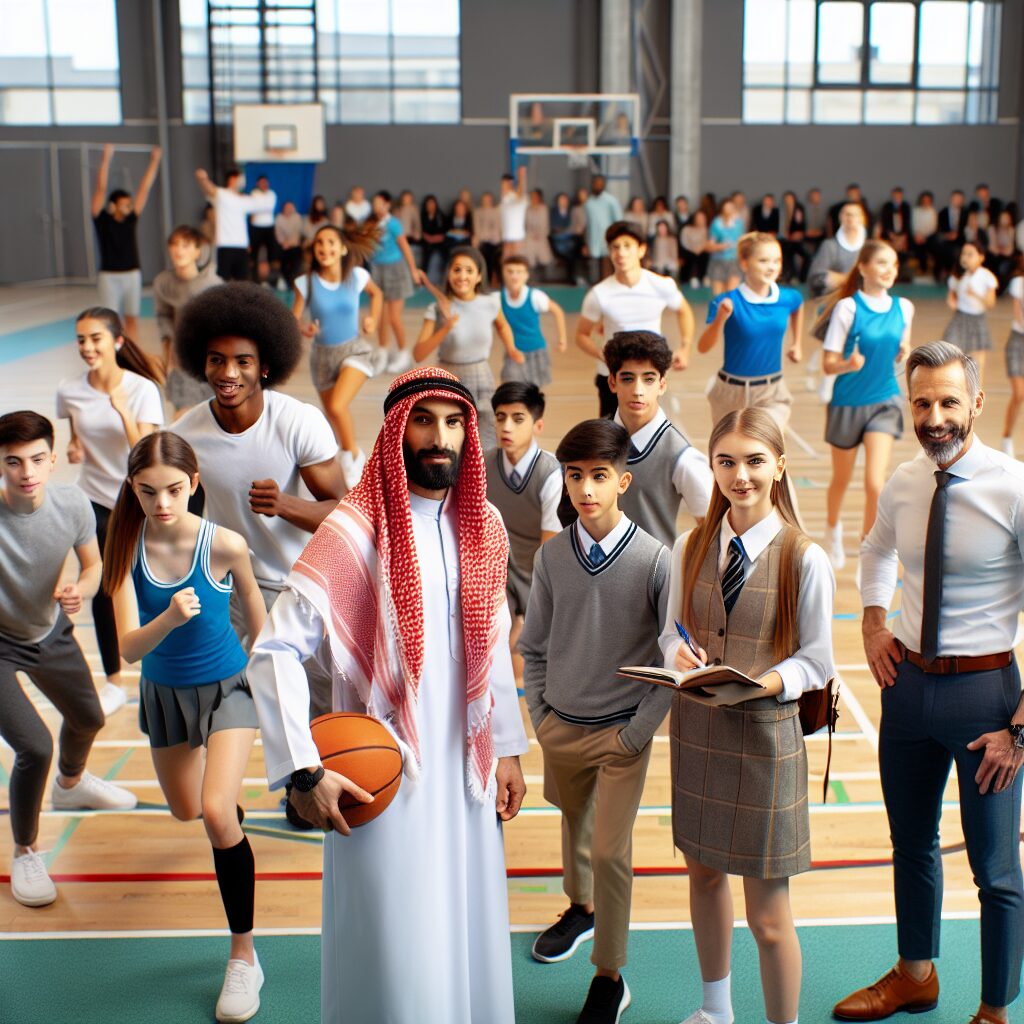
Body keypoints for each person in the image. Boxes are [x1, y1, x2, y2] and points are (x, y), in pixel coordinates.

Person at [247, 367, 528, 1024]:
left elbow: (489, 645)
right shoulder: (353, 531)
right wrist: (302, 769)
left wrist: (509, 748)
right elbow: (274, 652)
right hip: (381, 775)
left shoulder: (484, 522)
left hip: (467, 772)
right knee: (398, 953)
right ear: (395, 432)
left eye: (454, 422)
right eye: (423, 421)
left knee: (468, 935)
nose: (440, 437)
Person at [834, 341, 1024, 1024]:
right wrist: (872, 623)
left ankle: (996, 1011)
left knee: (996, 873)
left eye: (949, 401)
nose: (935, 416)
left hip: (987, 700)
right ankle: (916, 975)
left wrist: (1020, 730)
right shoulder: (907, 482)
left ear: (977, 402)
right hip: (907, 688)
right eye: (922, 403)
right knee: (911, 843)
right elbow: (876, 549)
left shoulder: (1014, 485)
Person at [660, 407, 834, 1024]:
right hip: (701, 737)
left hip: (767, 744)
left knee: (767, 917)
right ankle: (715, 1010)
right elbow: (670, 635)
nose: (741, 475)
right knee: (704, 880)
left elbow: (817, 663)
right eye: (726, 462)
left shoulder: (804, 558)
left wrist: (767, 681)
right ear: (711, 468)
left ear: (780, 466)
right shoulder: (689, 545)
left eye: (755, 461)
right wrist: (677, 652)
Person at [104, 432, 266, 1023]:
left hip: (228, 689)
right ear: (133, 490)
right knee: (188, 809)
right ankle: (225, 808)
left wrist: (267, 670)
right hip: (164, 695)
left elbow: (253, 605)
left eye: (174, 489)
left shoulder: (222, 543)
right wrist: (169, 618)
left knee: (217, 812)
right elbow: (126, 649)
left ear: (194, 484)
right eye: (148, 492)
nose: (163, 502)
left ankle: (244, 956)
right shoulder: (125, 547)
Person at [520, 417, 670, 1024]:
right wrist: (540, 716)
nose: (585, 488)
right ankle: (578, 908)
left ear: (623, 481)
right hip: (561, 724)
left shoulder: (658, 561)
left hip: (621, 734)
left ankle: (609, 976)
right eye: (575, 475)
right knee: (573, 823)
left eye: (599, 477)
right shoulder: (554, 555)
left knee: (610, 852)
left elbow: (672, 662)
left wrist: (637, 733)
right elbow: (533, 647)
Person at [172, 282, 344, 728]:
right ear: (201, 364)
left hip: (304, 586)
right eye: (217, 360)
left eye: (242, 361)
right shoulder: (188, 434)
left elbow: (346, 513)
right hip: (231, 589)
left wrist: (285, 505)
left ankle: (311, 794)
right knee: (224, 708)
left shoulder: (299, 422)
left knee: (317, 715)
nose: (228, 372)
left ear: (264, 367)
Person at [0, 411, 137, 910]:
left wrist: (79, 590)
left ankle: (72, 784)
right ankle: (25, 850)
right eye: (13, 462)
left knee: (89, 717)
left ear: (53, 459)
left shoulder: (72, 503)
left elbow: (95, 564)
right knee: (34, 746)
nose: (26, 471)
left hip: (49, 629)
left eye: (37, 459)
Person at [56, 308, 165, 714]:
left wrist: (121, 410)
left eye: (95, 338)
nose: (87, 347)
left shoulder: (141, 390)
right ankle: (114, 682)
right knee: (103, 588)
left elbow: (147, 454)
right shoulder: (69, 390)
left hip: (135, 500)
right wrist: (74, 446)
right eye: (81, 339)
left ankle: (159, 672)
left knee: (146, 587)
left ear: (117, 341)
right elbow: (76, 432)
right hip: (92, 498)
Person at [817, 240, 913, 571]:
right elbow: (828, 364)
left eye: (894, 264)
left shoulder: (905, 308)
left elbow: (902, 345)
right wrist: (847, 364)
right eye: (883, 263)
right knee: (840, 481)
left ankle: (867, 552)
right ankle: (833, 532)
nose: (890, 270)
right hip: (847, 402)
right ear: (863, 268)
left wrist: (903, 352)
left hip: (884, 400)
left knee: (876, 483)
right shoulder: (848, 309)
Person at [293, 222, 384, 488]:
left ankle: (352, 456)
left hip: (354, 350)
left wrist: (373, 320)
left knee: (336, 406)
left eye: (331, 242)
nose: (324, 247)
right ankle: (341, 458)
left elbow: (376, 295)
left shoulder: (356, 276)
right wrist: (304, 328)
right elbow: (293, 318)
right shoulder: (306, 282)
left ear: (343, 248)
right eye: (319, 243)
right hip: (322, 357)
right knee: (332, 415)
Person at [604, 331, 712, 550]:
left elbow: (715, 530)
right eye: (627, 378)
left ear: (662, 384)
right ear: (612, 382)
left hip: (655, 580)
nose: (637, 390)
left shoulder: (682, 457)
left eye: (649, 379)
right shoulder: (593, 441)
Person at [577, 221, 694, 418]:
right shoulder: (599, 294)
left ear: (641, 250)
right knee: (611, 439)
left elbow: (684, 311)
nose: (621, 253)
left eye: (627, 246)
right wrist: (601, 354)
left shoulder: (660, 285)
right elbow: (581, 335)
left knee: (652, 436)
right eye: (615, 247)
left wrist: (685, 347)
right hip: (613, 375)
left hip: (650, 376)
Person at [413, 246, 523, 449]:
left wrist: (512, 347)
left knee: (486, 438)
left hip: (482, 375)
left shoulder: (490, 303)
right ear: (448, 274)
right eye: (457, 269)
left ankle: (483, 478)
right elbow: (419, 353)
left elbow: (502, 325)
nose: (462, 275)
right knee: (451, 439)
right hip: (449, 377)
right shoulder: (436, 309)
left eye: (469, 270)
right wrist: (444, 328)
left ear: (479, 276)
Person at [484, 381, 562, 660]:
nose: (506, 427)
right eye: (500, 417)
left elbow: (548, 555)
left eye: (518, 419)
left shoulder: (551, 474)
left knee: (521, 648)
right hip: (496, 572)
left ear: (537, 426)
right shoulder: (483, 464)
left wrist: (525, 614)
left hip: (539, 576)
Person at [698, 232, 804, 432]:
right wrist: (720, 318)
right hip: (729, 393)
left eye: (777, 260)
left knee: (764, 449)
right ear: (745, 264)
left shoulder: (788, 297)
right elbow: (703, 347)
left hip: (772, 393)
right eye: (763, 260)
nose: (772, 266)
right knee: (727, 456)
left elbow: (798, 306)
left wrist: (797, 343)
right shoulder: (725, 301)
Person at [90, 143, 163, 341]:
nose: (129, 207)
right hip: (109, 277)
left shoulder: (131, 219)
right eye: (124, 204)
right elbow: (100, 188)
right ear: (113, 205)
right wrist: (106, 159)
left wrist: (154, 161)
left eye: (130, 204)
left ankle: (133, 356)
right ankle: (113, 356)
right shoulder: (101, 220)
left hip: (132, 274)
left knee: (132, 319)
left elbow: (144, 188)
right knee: (111, 320)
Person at [152, 225, 221, 420]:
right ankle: (179, 450)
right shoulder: (163, 283)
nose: (178, 250)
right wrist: (167, 354)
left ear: (197, 251)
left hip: (211, 360)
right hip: (182, 359)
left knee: (211, 416)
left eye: (185, 245)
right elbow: (164, 316)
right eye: (174, 245)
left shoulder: (211, 284)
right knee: (182, 415)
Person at [368, 190, 426, 375]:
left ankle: (403, 353)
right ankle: (383, 351)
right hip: (378, 271)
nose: (376, 206)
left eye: (379, 203)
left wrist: (414, 270)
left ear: (387, 205)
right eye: (374, 203)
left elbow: (405, 248)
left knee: (394, 317)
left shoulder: (393, 224)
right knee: (380, 316)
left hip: (396, 270)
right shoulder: (372, 224)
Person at [195, 167, 276, 282]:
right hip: (225, 245)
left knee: (242, 282)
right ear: (231, 180)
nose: (240, 181)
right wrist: (202, 179)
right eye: (238, 178)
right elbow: (209, 189)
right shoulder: (222, 194)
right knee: (223, 280)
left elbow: (265, 205)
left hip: (241, 246)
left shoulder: (245, 199)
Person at [499, 254, 566, 386]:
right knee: (511, 387)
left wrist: (562, 340)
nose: (514, 276)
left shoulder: (535, 296)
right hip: (513, 352)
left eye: (519, 272)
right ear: (503, 273)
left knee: (533, 392)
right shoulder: (498, 298)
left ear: (526, 275)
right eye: (510, 271)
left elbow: (557, 311)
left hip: (536, 351)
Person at [944, 240, 998, 384]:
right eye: (964, 254)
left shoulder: (987, 277)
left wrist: (975, 294)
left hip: (977, 319)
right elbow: (951, 297)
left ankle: (975, 394)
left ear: (981, 257)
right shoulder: (957, 276)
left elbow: (991, 303)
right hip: (960, 318)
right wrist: (952, 302)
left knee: (977, 361)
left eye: (970, 254)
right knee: (950, 354)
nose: (965, 257)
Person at [1000, 256, 1024, 456]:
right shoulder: (1018, 282)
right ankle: (1007, 436)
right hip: (1018, 342)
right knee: (1019, 393)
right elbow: (1018, 314)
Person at [583, 176, 624, 282]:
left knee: (607, 275)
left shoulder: (611, 201)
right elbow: (586, 225)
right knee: (593, 276)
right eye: (596, 184)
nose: (598, 186)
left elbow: (619, 222)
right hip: (593, 244)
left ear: (604, 185)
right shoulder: (588, 203)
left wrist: (617, 241)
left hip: (608, 243)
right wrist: (586, 244)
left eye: (600, 184)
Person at [707, 199, 745, 295]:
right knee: (719, 295)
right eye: (726, 208)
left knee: (732, 293)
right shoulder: (716, 223)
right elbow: (710, 244)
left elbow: (741, 240)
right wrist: (721, 246)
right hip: (719, 261)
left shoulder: (738, 223)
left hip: (734, 261)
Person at [247, 175, 277, 284]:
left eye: (265, 182)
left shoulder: (272, 194)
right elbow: (251, 209)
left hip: (269, 226)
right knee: (253, 255)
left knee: (271, 255)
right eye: (261, 183)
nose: (264, 185)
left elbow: (268, 208)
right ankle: (255, 280)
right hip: (255, 227)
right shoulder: (253, 193)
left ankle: (270, 280)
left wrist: (258, 207)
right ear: (258, 184)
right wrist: (257, 207)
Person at [878, 187, 912, 280]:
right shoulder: (887, 206)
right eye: (895, 196)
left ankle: (902, 275)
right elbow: (885, 224)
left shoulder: (906, 207)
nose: (897, 198)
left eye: (899, 196)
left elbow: (907, 224)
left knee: (904, 252)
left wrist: (902, 239)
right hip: (889, 237)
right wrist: (893, 238)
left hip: (903, 237)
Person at [473, 191, 503, 286]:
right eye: (485, 200)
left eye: (488, 200)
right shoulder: (478, 212)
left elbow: (498, 228)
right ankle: (486, 282)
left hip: (495, 242)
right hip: (483, 242)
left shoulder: (497, 211)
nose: (487, 202)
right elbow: (477, 229)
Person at [273, 200, 304, 288]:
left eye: (291, 207)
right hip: (283, 246)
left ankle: (291, 284)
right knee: (283, 263)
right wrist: (283, 242)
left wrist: (289, 243)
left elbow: (296, 234)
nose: (289, 209)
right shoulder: (279, 218)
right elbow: (278, 233)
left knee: (295, 262)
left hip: (294, 246)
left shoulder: (297, 217)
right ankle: (289, 283)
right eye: (287, 207)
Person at [500, 165, 529, 258]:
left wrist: (522, 177)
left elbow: (521, 192)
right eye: (503, 184)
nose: (504, 186)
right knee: (506, 261)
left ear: (511, 184)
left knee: (518, 261)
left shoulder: (519, 199)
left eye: (506, 183)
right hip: (507, 237)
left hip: (518, 237)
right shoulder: (505, 199)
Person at [420, 193, 448, 284]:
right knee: (426, 256)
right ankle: (423, 280)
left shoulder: (440, 216)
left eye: (432, 204)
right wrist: (428, 237)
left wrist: (435, 238)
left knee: (445, 254)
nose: (431, 206)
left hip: (439, 241)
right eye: (429, 204)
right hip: (427, 241)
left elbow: (444, 232)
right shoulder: (423, 216)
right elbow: (421, 230)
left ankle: (446, 278)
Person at [524, 188, 553, 272]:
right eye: (532, 196)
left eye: (536, 196)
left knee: (545, 257)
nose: (534, 198)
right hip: (530, 236)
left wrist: (540, 235)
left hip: (541, 236)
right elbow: (526, 225)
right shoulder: (527, 209)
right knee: (529, 254)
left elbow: (545, 224)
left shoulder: (544, 208)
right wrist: (531, 234)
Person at [681, 210, 710, 288]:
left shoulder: (706, 230)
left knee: (705, 255)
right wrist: (694, 249)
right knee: (691, 256)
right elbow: (684, 243)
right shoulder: (686, 229)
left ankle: (704, 276)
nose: (701, 220)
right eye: (699, 218)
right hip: (689, 251)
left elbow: (708, 242)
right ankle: (693, 277)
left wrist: (700, 249)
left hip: (702, 251)